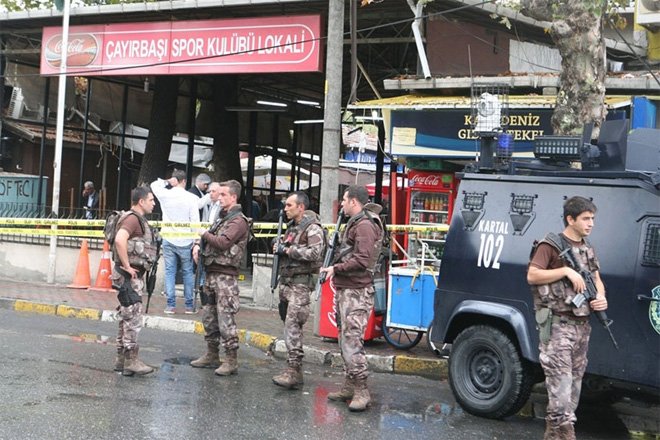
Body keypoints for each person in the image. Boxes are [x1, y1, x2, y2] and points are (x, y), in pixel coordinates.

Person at [527, 196, 608, 440]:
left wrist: (601, 297)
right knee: (560, 396)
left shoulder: (587, 247)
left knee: (572, 395)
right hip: (558, 327)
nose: (591, 223)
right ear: (570, 219)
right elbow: (532, 275)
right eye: (586, 218)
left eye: (592, 218)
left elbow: (596, 279)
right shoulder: (549, 245)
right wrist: (565, 270)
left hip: (582, 328)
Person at [320, 185, 384, 412]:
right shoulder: (356, 223)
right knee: (343, 338)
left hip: (357, 292)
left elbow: (362, 261)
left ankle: (361, 390)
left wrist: (335, 268)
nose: (342, 204)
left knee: (352, 342)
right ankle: (349, 385)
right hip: (347, 289)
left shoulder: (365, 225)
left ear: (354, 201)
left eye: (345, 200)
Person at [190, 179, 250, 376]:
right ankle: (212, 353)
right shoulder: (221, 218)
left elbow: (223, 242)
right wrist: (197, 246)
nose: (219, 198)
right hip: (211, 273)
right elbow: (210, 241)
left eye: (224, 195)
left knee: (225, 318)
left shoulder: (238, 221)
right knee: (209, 316)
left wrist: (204, 234)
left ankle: (231, 359)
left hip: (226, 276)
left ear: (233, 197)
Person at [271, 191, 325, 389]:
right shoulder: (292, 228)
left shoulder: (312, 229)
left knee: (293, 326)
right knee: (288, 324)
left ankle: (293, 370)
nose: (285, 209)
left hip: (301, 283)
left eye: (289, 205)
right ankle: (295, 371)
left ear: (300, 207)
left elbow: (315, 253)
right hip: (287, 281)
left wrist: (287, 250)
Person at [110, 186, 158, 376]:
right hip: (129, 275)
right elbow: (120, 240)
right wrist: (128, 265)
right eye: (151, 200)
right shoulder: (132, 219)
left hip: (127, 274)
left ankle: (121, 359)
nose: (154, 203)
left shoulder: (136, 219)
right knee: (133, 317)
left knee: (126, 316)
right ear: (141, 201)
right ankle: (131, 360)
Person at [151, 170, 200, 315]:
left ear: (174, 180)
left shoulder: (165, 195)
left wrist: (166, 182)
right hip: (185, 240)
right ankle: (189, 305)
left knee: (170, 272)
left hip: (168, 238)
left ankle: (170, 305)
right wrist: (196, 241)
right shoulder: (191, 198)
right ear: (184, 181)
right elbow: (194, 221)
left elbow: (154, 185)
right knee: (187, 273)